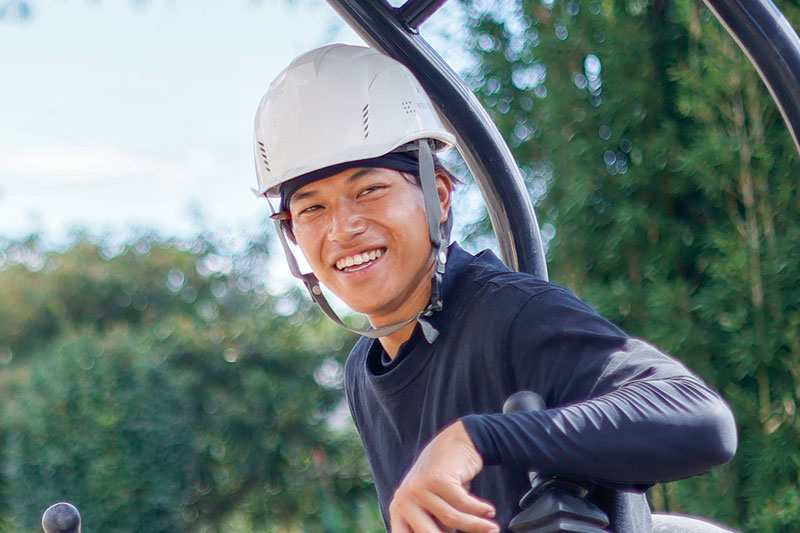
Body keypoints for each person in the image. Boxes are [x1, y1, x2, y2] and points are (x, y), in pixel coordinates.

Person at [252, 44, 737, 532]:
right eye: (312, 209)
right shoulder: (365, 370)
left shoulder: (510, 315)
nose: (342, 229)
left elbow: (702, 420)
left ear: (438, 197)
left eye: (369, 190)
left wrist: (477, 439)